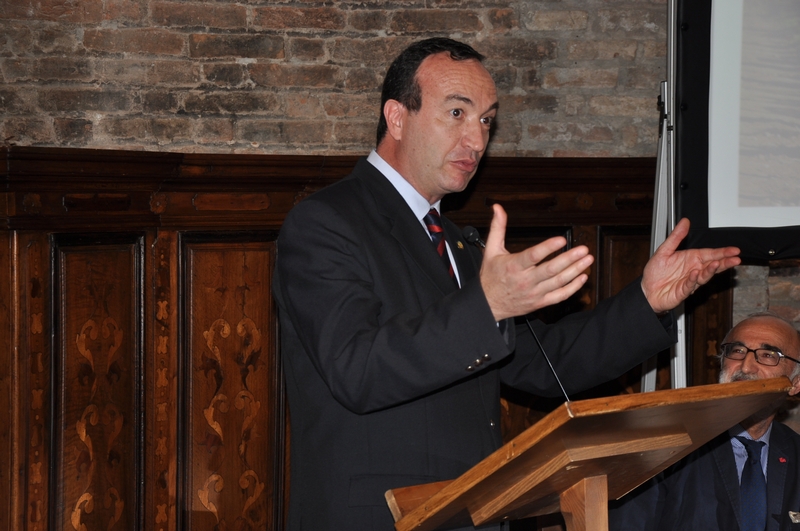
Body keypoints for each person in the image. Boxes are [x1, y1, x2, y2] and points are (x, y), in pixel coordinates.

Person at [271, 37, 741, 531]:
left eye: (486, 120)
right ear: (396, 117)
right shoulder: (325, 223)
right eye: (457, 113)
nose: (477, 140)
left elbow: (549, 360)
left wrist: (647, 301)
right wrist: (487, 305)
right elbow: (356, 368)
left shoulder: (458, 244)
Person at [608, 313, 800, 531]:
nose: (746, 367)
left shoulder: (795, 452)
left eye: (767, 355)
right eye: (737, 351)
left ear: (795, 383)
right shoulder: (665, 446)